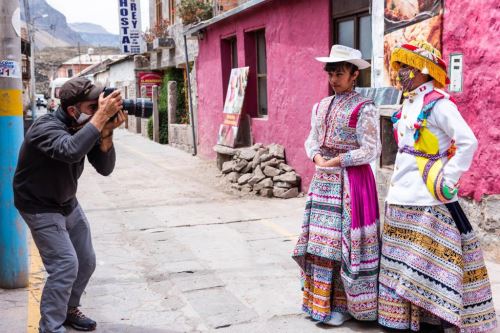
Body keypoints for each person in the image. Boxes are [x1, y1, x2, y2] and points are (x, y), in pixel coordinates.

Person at [378, 39, 497, 333]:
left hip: (427, 198)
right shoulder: (407, 103)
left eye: (407, 66)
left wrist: (449, 177)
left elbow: (468, 141)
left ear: (423, 70)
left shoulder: (439, 104)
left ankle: (432, 322)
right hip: (400, 195)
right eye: (400, 66)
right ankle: (405, 321)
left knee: (427, 267)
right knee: (403, 264)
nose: (401, 72)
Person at [13, 77, 125, 333]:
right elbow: (71, 150)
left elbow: (105, 168)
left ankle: (68, 309)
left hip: (66, 201)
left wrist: (106, 133)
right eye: (93, 107)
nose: (99, 112)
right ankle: (51, 327)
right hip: (39, 205)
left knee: (86, 260)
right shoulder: (45, 128)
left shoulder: (83, 125)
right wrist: (99, 120)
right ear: (73, 110)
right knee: (65, 265)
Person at [292, 45, 381, 326]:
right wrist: (317, 156)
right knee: (322, 243)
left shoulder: (364, 108)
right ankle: (318, 302)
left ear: (355, 74)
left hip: (352, 182)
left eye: (340, 73)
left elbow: (371, 149)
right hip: (324, 182)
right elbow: (312, 139)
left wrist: (338, 160)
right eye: (331, 73)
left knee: (344, 244)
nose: (334, 79)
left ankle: (345, 306)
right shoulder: (320, 106)